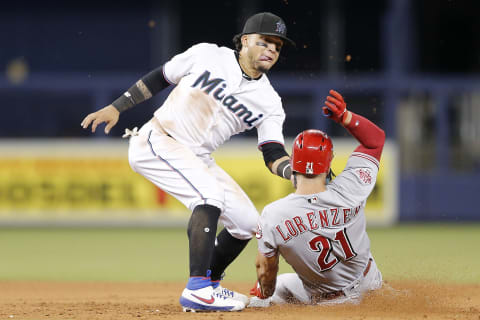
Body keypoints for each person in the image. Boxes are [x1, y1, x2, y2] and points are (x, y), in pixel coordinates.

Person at [81, 12, 295, 312]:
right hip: (159, 140)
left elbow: (272, 151)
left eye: (278, 46)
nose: (272, 49)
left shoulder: (269, 101)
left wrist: (295, 172)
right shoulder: (207, 54)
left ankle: (210, 285)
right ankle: (197, 288)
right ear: (245, 40)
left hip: (198, 157)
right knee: (209, 196)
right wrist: (118, 107)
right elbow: (160, 78)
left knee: (248, 223)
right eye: (265, 41)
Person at [250, 90, 385, 307]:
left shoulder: (273, 214)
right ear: (328, 164)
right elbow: (375, 141)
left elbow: (265, 270)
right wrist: (346, 118)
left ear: (293, 164)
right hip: (369, 284)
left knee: (264, 296)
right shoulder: (351, 187)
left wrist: (264, 291)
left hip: (330, 303)